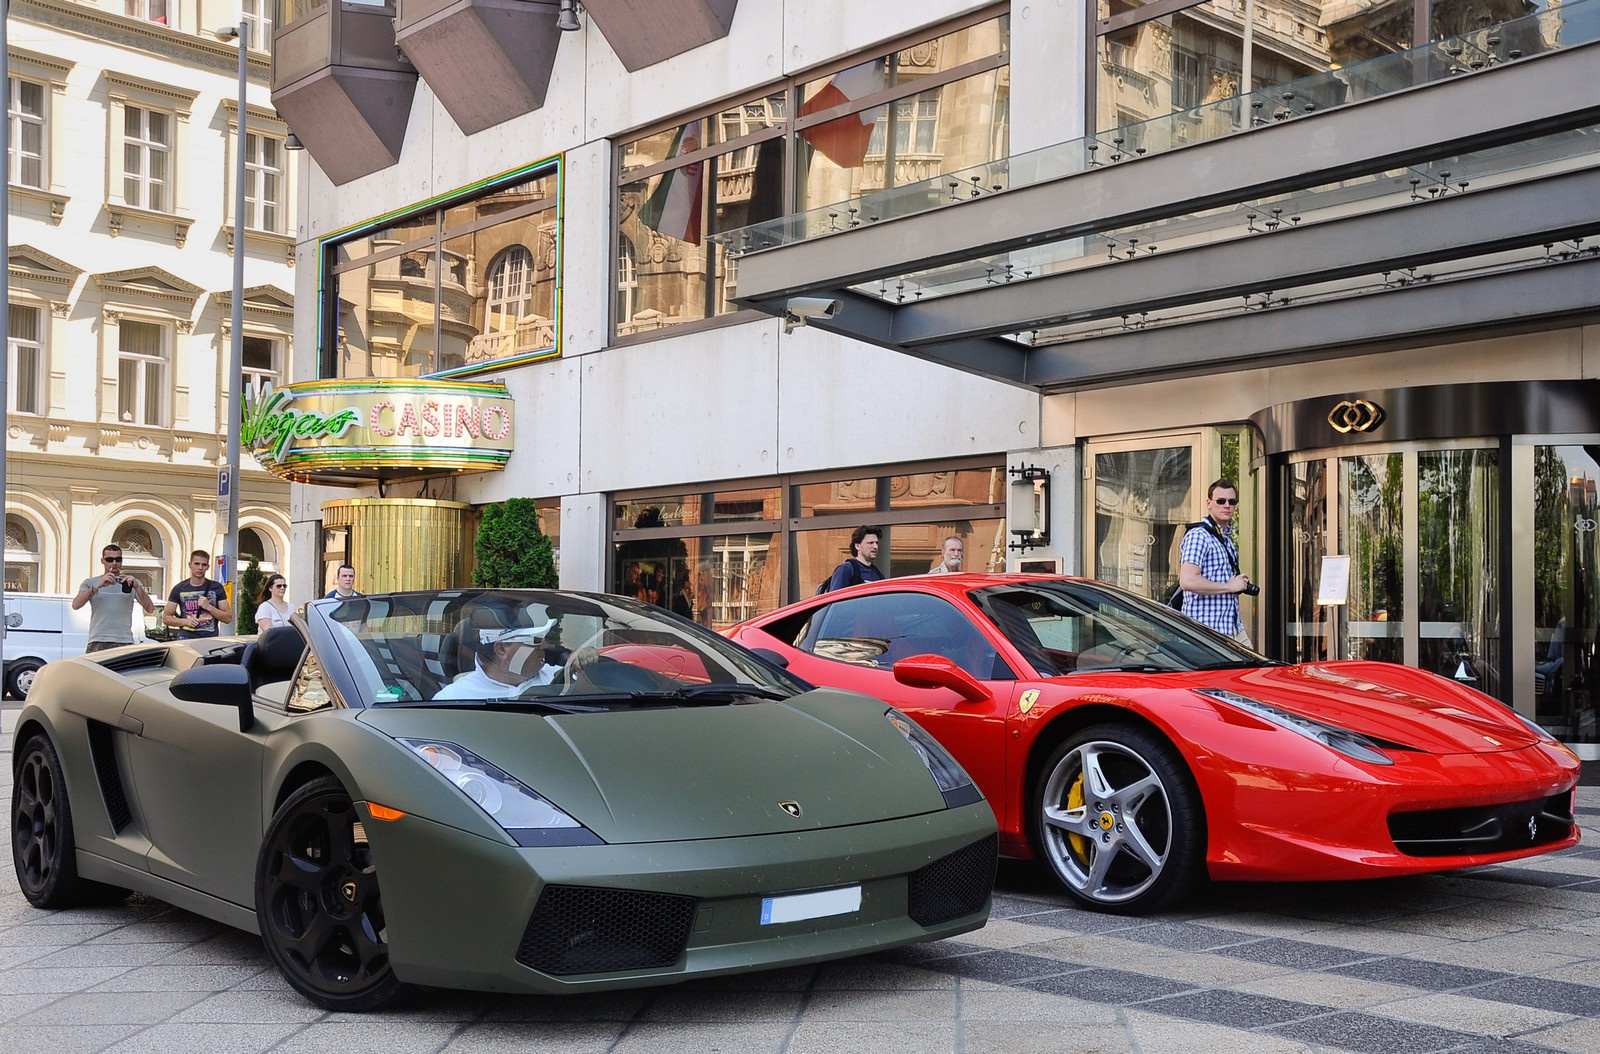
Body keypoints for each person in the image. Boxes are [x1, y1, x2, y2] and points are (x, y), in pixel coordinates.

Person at [435, 609, 589, 699]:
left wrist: (586, 665)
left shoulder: (560, 678)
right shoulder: (454, 698)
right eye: (535, 640)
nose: (544, 645)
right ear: (501, 650)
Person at [1177, 479, 1254, 645]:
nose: (1226, 505)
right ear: (1209, 503)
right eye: (1221, 501)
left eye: (1231, 501)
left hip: (1231, 628)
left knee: (1255, 668)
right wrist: (1229, 587)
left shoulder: (1224, 539)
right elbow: (1187, 580)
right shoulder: (1199, 535)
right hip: (1206, 632)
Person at [72, 544, 156, 652]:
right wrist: (98, 586)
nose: (114, 563)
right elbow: (76, 605)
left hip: (124, 640)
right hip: (98, 639)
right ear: (103, 561)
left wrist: (137, 587)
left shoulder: (130, 582)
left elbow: (150, 608)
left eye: (118, 559)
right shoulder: (91, 582)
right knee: (95, 669)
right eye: (110, 560)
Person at [164, 549, 234, 639]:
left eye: (204, 565)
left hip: (209, 640)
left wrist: (209, 607)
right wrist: (185, 622)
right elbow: (166, 618)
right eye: (197, 564)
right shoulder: (179, 588)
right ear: (190, 565)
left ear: (208, 567)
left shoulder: (216, 587)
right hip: (186, 639)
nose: (200, 568)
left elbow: (228, 618)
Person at [824, 525, 886, 593]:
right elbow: (834, 599)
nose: (875, 546)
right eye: (870, 543)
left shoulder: (878, 574)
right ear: (857, 546)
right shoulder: (846, 569)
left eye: (876, 543)